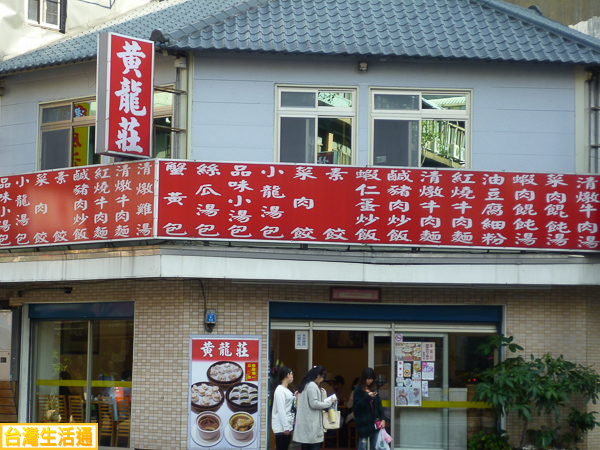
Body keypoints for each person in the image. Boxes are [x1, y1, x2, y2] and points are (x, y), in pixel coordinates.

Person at [293, 365, 337, 450]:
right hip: (311, 426)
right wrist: (328, 403)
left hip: (304, 425)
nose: (323, 379)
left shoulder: (304, 385)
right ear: (318, 376)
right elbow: (314, 404)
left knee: (305, 447)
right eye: (323, 377)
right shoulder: (312, 386)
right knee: (314, 446)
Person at [353, 367, 385, 450]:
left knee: (374, 446)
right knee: (362, 447)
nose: (370, 381)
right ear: (364, 378)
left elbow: (379, 405)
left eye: (371, 379)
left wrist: (383, 419)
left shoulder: (375, 389)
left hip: (375, 422)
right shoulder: (358, 390)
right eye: (368, 378)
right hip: (363, 423)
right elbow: (357, 406)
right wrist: (368, 397)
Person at [271, 366, 296, 450]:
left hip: (287, 425)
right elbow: (281, 410)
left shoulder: (286, 390)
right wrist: (285, 427)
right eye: (292, 374)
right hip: (281, 427)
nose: (293, 376)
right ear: (287, 375)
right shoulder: (279, 390)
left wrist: (295, 397)